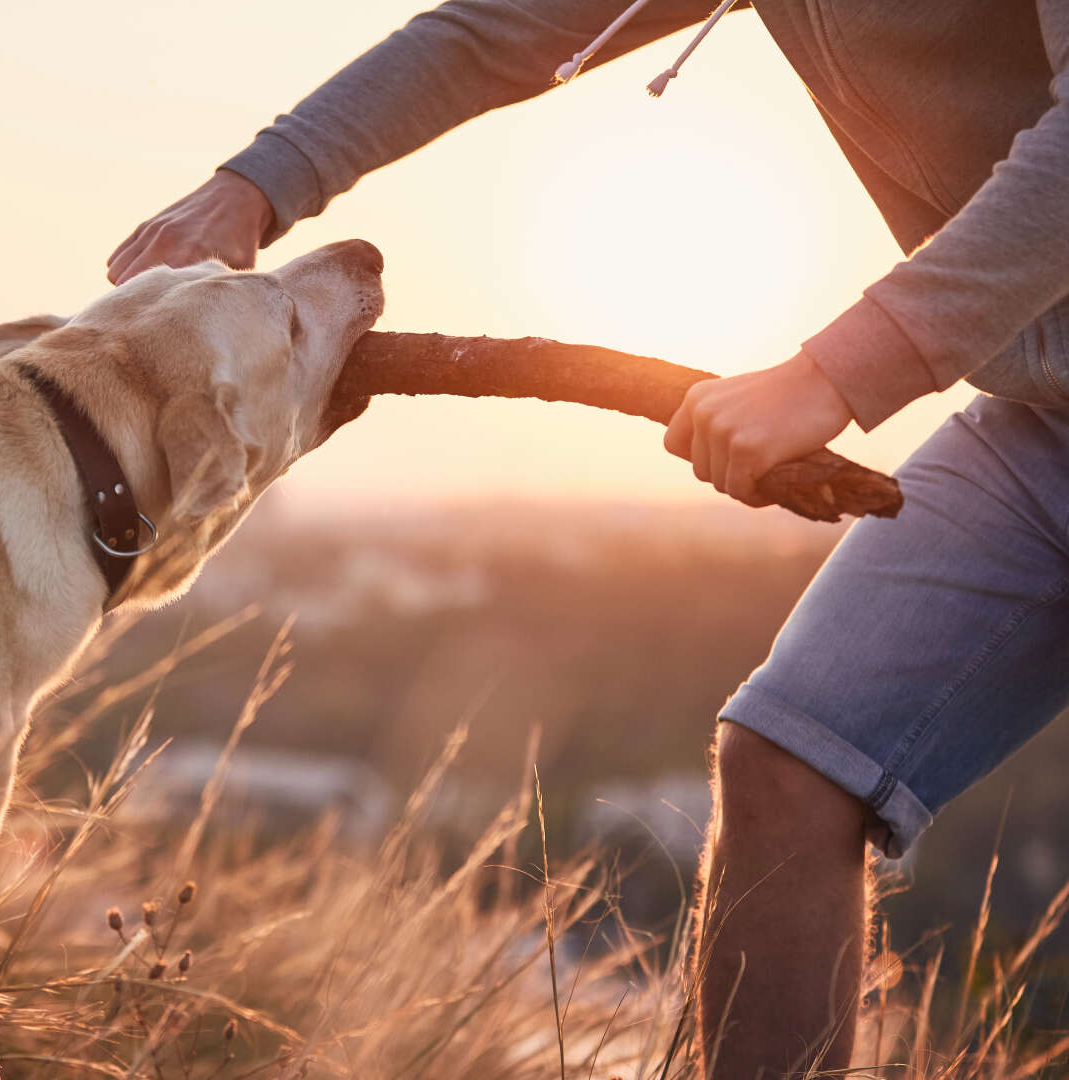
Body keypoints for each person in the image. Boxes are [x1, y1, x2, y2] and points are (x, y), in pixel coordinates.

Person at [108, 1, 1069, 1074]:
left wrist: (838, 371)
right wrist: (257, 181)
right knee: (789, 765)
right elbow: (500, 30)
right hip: (1043, 427)